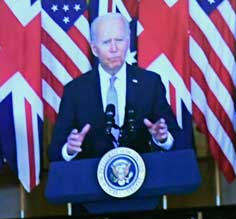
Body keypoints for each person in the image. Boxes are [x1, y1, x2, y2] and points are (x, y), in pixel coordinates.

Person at [48, 11, 181, 162]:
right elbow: (54, 152)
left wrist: (163, 138)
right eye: (106, 42)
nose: (114, 48)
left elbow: (178, 138)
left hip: (141, 175)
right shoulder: (75, 91)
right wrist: (69, 149)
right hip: (91, 179)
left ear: (128, 42)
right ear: (94, 49)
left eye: (119, 40)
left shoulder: (150, 83)